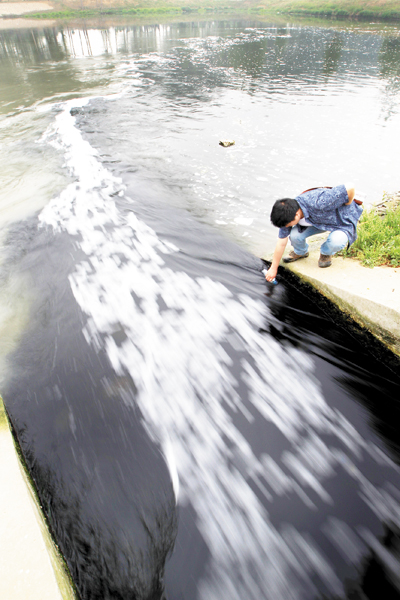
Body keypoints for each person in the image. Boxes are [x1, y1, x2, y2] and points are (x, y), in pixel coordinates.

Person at [265, 183, 363, 282]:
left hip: (341, 221)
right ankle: (301, 252)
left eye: (288, 224)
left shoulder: (319, 201)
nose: (287, 227)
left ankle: (326, 253)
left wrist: (348, 203)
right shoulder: (287, 215)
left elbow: (350, 188)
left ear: (297, 214)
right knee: (295, 235)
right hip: (317, 222)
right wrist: (273, 268)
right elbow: (281, 243)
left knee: (336, 241)